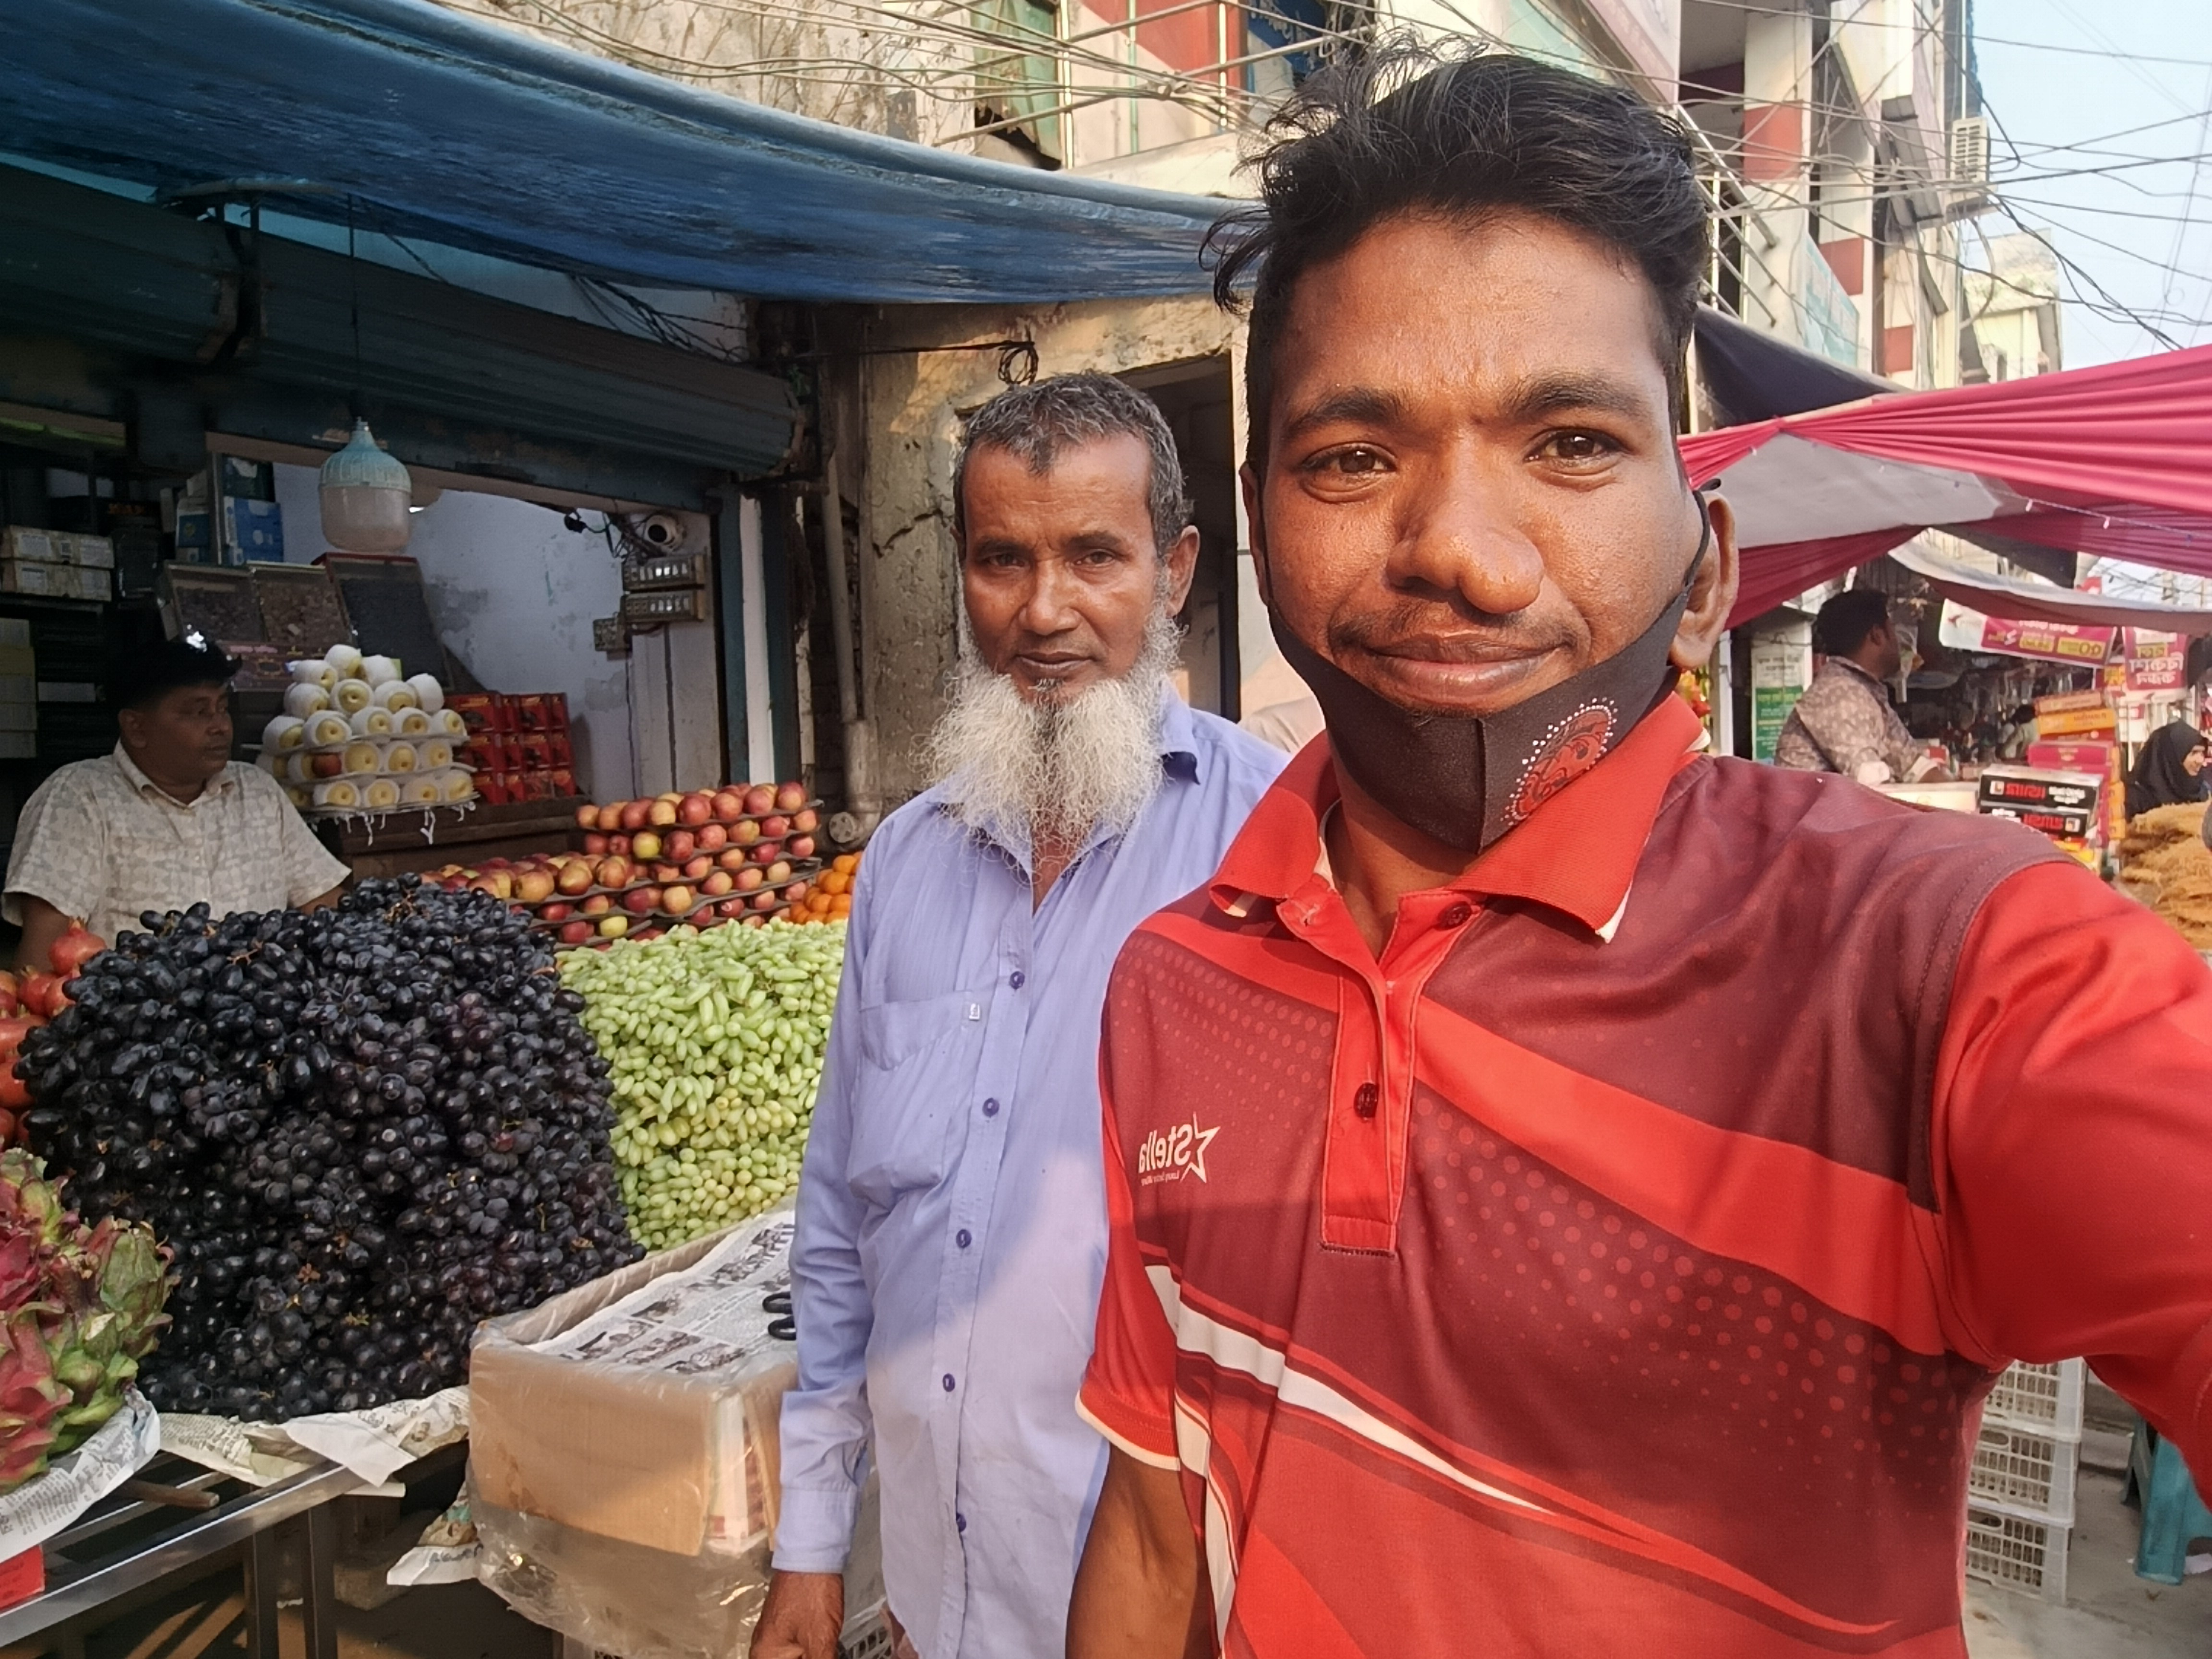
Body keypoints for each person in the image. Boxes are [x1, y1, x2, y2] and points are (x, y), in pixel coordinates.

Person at [1067, 45, 2212, 1659]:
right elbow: (1152, 1511)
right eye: (1351, 459)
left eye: (1571, 444)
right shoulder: (1175, 978)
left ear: (1705, 573)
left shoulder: (1942, 968)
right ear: (1257, 539)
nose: (1458, 554)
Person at [751, 374, 1284, 1659]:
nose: (1043, 611)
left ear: (1174, 571)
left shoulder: (1269, 843)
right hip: (933, 1588)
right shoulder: (904, 862)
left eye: (1094, 555)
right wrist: (811, 1546)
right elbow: (841, 1221)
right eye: (1002, 560)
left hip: (1176, 1608)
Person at [4, 634, 347, 965]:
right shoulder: (79, 798)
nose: (220, 726)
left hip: (260, 999)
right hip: (134, 1002)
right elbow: (44, 958)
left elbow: (325, 906)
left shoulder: (257, 791)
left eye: (222, 708)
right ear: (136, 728)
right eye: (198, 712)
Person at [1773, 588, 1933, 782]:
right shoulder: (1837, 693)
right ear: (1877, 635)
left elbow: (1915, 766)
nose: (1898, 644)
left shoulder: (1869, 694)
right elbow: (1871, 782)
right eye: (1893, 632)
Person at [2128, 720, 2209, 817]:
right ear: (2171, 757)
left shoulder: (2203, 794)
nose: (2200, 760)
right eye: (2194, 753)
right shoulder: (2136, 800)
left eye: (2202, 753)